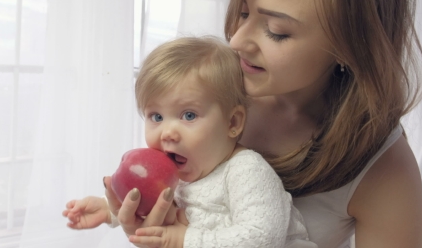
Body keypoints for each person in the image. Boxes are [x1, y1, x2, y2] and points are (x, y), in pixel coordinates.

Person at [103, 0, 422, 247]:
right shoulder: (214, 92)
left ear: (350, 46)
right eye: (243, 13)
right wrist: (147, 227)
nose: (237, 42)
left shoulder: (385, 168)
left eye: (276, 30)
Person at [63, 36, 316, 247]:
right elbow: (154, 203)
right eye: (157, 116)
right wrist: (110, 210)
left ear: (232, 123)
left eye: (189, 115)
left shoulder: (246, 170)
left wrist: (184, 240)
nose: (168, 132)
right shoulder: (180, 171)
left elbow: (262, 238)